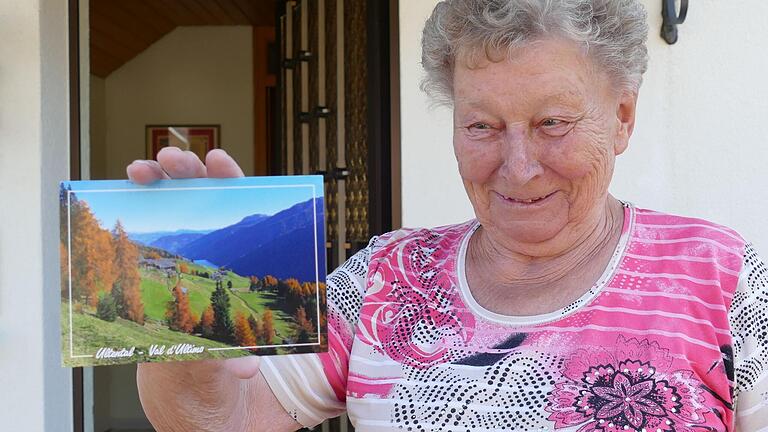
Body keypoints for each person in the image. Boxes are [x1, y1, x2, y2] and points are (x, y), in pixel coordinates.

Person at [131, 1, 768, 430]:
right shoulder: (383, 277)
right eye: (482, 126)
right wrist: (187, 339)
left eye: (552, 123)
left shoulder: (725, 277)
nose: (517, 166)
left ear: (621, 118)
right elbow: (227, 416)